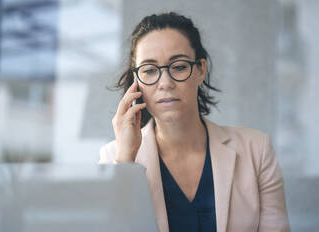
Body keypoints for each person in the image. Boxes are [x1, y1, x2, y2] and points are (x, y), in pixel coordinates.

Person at [99, 12, 290, 232]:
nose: (165, 83)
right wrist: (125, 161)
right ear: (137, 82)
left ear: (200, 70)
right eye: (149, 71)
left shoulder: (257, 150)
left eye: (179, 66)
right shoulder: (114, 158)